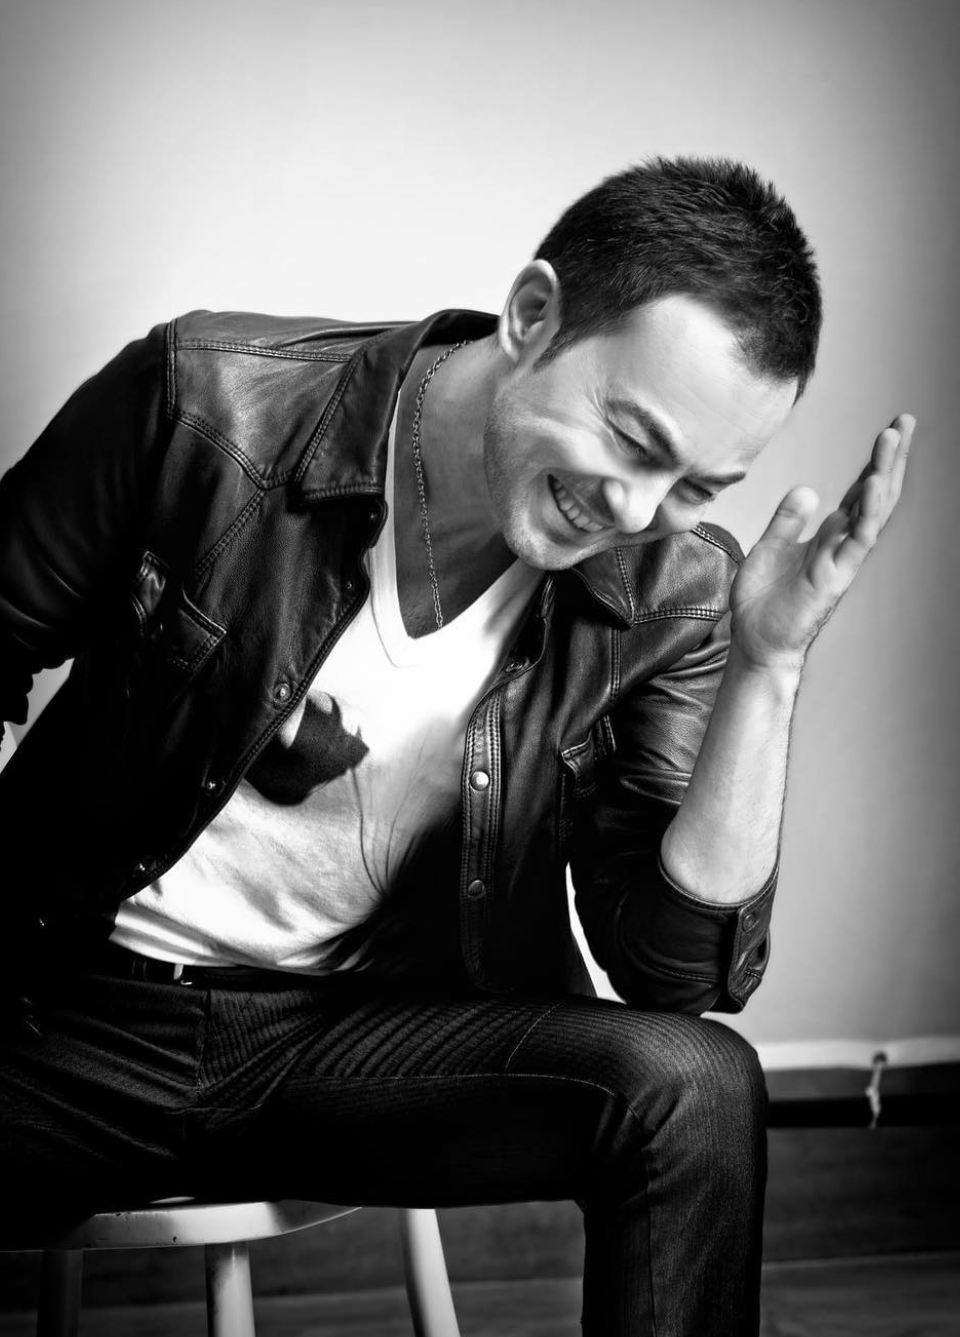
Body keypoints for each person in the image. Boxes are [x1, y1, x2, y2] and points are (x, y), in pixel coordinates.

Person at [0, 156, 913, 1335]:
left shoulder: (675, 593)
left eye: (698, 484)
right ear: (533, 316)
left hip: (347, 1046)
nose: (638, 512)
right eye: (633, 439)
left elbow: (676, 980)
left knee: (693, 1087)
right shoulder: (205, 402)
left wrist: (767, 670)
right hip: (65, 1019)